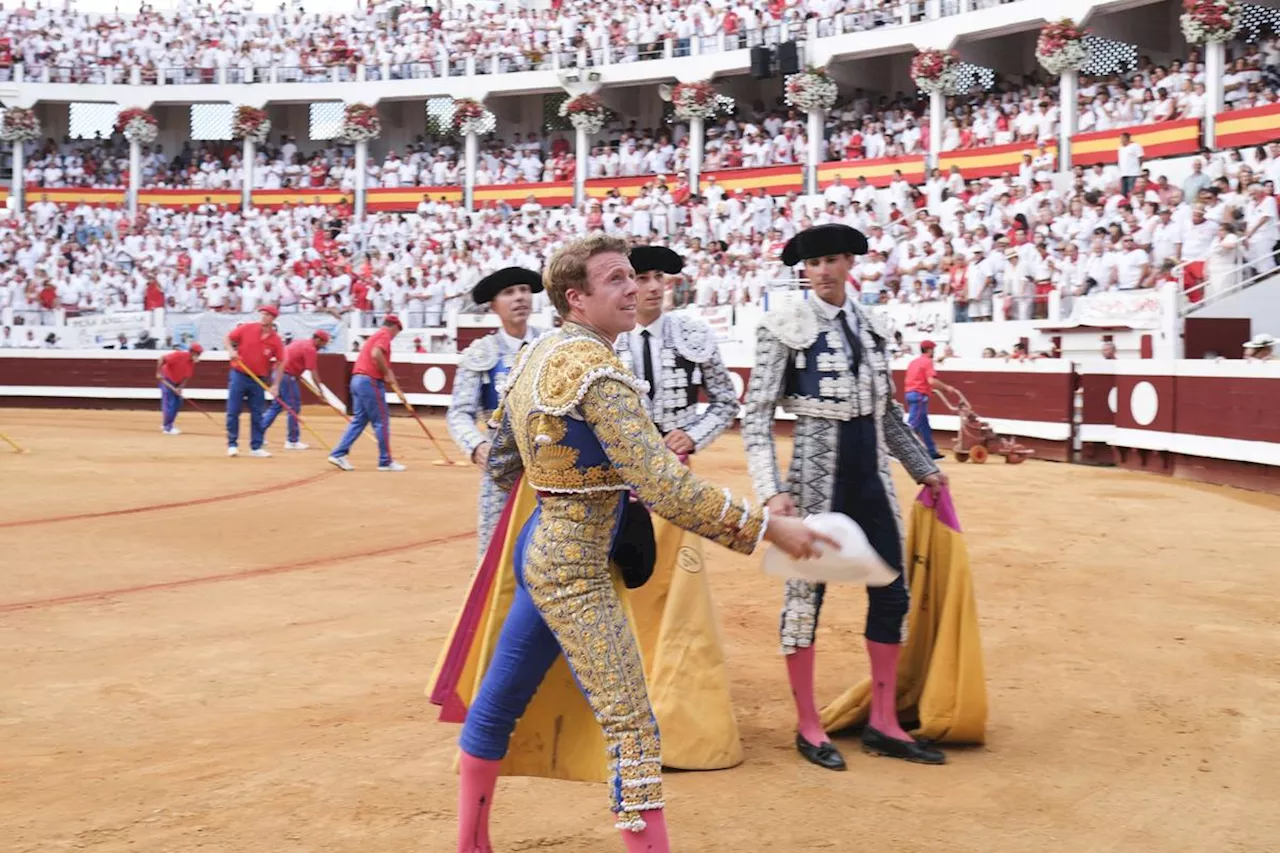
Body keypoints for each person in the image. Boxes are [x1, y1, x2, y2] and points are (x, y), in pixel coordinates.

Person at [438, 234, 832, 853]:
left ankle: (471, 845)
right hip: (578, 570)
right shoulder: (601, 371)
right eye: (617, 280)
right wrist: (767, 528)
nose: (634, 289)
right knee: (632, 728)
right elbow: (666, 488)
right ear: (577, 298)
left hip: (543, 546)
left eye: (632, 277)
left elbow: (501, 462)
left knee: (501, 701)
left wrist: (570, 477)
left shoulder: (538, 353)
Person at [741, 223, 949, 771]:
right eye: (817, 262)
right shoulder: (782, 326)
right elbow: (757, 416)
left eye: (836, 259)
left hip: (871, 477)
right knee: (806, 599)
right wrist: (771, 493)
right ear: (803, 270)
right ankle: (809, 726)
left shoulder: (874, 326)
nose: (828, 270)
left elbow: (887, 416)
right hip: (813, 477)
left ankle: (884, 722)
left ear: (851, 263)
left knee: (892, 593)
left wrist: (925, 469)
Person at [613, 243, 744, 770]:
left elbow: (725, 401)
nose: (648, 287)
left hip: (674, 481)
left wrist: (690, 434)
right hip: (619, 481)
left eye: (656, 278)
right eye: (638, 277)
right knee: (625, 583)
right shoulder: (605, 337)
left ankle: (673, 698)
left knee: (676, 587)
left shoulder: (692, 333)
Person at [446, 267, 544, 559]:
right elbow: (459, 413)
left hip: (554, 469)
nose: (519, 298)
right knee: (496, 555)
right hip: (503, 472)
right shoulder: (482, 351)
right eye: (509, 292)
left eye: (524, 290)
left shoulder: (552, 344)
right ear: (494, 305)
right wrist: (476, 445)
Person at [328, 315, 405, 472]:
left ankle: (338, 453)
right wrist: (385, 374)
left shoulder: (376, 336)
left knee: (359, 420)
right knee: (381, 421)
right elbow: (377, 354)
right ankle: (385, 461)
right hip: (370, 381)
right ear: (394, 327)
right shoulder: (384, 335)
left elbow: (380, 360)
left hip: (358, 380)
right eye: (397, 331)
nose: (396, 335)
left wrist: (395, 385)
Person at [224, 305, 285, 458]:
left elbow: (281, 362)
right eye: (262, 314)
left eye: (267, 315)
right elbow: (227, 338)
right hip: (239, 374)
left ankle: (256, 446)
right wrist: (231, 351)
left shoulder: (276, 340)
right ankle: (232, 444)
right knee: (233, 410)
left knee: (257, 413)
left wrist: (276, 384)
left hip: (259, 378)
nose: (263, 317)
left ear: (273, 319)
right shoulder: (247, 328)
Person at [261, 329, 332, 450]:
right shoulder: (310, 349)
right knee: (294, 407)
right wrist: (320, 390)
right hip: (287, 376)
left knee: (277, 406)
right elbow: (313, 371)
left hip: (278, 373)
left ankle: (258, 434)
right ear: (318, 340)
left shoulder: (300, 342)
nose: (324, 345)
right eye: (324, 342)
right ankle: (292, 441)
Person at [903, 339, 957, 460]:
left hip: (911, 393)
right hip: (919, 395)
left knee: (924, 425)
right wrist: (946, 388)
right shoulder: (927, 362)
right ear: (930, 350)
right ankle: (898, 449)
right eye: (933, 350)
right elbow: (931, 381)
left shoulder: (914, 362)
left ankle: (931, 451)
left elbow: (916, 378)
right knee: (913, 424)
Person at [155, 343, 203, 435]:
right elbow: (162, 359)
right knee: (170, 403)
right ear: (192, 352)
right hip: (167, 379)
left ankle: (167, 423)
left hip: (177, 382)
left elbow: (187, 377)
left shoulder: (191, 363)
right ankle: (167, 428)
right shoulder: (178, 355)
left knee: (178, 403)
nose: (199, 355)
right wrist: (158, 372)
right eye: (198, 353)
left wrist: (180, 387)